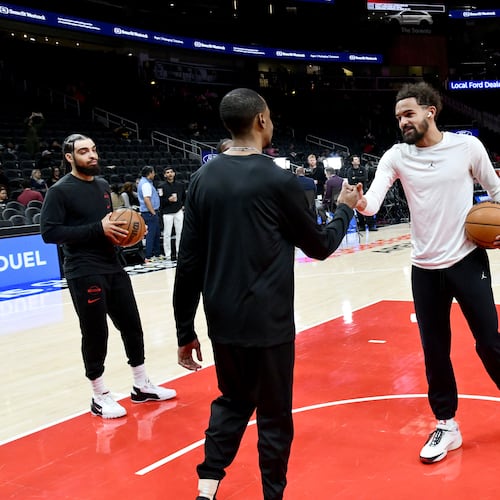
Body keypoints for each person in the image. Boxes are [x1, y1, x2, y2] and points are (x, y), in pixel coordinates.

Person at [173, 88, 361, 500]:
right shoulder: (280, 180)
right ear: (261, 120)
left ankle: (207, 488)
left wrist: (184, 329)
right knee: (274, 415)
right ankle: (272, 494)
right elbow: (320, 246)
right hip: (268, 322)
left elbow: (187, 263)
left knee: (232, 401)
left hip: (222, 320)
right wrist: (345, 207)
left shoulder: (202, 179)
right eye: (270, 116)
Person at [356, 81, 500, 464]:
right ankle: (447, 425)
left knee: (490, 342)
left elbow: (496, 191)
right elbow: (372, 203)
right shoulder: (396, 156)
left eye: (409, 114)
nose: (403, 122)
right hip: (424, 268)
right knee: (435, 351)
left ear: (430, 111)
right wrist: (358, 201)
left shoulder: (468, 147)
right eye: (398, 117)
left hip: (467, 260)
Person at [40, 133, 176, 419]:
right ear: (69, 158)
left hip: (112, 265)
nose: (92, 155)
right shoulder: (59, 191)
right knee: (95, 332)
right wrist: (97, 230)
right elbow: (49, 233)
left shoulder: (102, 185)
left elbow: (110, 226)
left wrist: (131, 232)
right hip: (83, 269)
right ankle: (99, 394)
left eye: (94, 149)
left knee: (132, 324)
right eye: (84, 151)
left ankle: (141, 385)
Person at [160, 166, 185, 261]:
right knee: (167, 233)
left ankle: (180, 252)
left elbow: (184, 197)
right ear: (165, 175)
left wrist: (183, 206)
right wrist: (168, 200)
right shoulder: (161, 186)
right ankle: (168, 254)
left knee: (180, 232)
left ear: (174, 173)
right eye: (167, 172)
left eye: (171, 172)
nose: (170, 174)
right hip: (167, 212)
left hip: (178, 211)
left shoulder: (180, 185)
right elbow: (160, 201)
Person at [137, 165, 162, 262]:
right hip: (149, 213)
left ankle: (156, 254)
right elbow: (147, 199)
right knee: (151, 234)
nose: (154, 174)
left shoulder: (146, 183)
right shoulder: (146, 184)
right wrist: (153, 212)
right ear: (150, 173)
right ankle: (148, 256)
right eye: (153, 172)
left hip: (151, 212)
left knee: (156, 234)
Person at [347, 154, 377, 231]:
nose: (358, 160)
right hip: (355, 192)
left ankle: (371, 225)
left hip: (364, 191)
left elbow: (365, 178)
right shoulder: (350, 170)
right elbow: (350, 180)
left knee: (367, 207)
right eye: (356, 159)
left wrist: (356, 178)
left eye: (358, 159)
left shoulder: (363, 169)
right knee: (359, 209)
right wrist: (358, 179)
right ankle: (362, 225)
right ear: (352, 162)